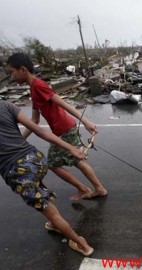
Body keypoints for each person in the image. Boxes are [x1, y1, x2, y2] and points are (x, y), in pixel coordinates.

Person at [7, 53, 107, 200]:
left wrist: (86, 121)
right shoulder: (33, 89)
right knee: (76, 161)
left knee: (54, 164)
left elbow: (63, 103)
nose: (12, 77)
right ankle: (96, 189)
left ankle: (87, 189)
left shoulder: (39, 86)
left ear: (22, 69)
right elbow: (34, 120)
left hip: (64, 129)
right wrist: (19, 139)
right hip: (63, 129)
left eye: (12, 72)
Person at [0, 100, 94, 256]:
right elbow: (39, 130)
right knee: (37, 186)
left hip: (18, 173)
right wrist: (70, 148)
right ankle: (53, 224)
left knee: (51, 212)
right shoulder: (4, 105)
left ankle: (82, 244)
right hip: (36, 159)